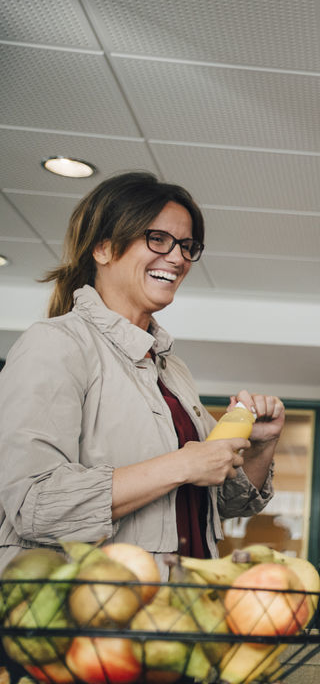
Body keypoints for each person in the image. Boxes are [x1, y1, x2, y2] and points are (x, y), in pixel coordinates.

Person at [0, 171, 284, 572]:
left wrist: (260, 447)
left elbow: (226, 503)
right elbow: (33, 505)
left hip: (180, 610)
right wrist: (182, 464)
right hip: (92, 615)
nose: (177, 258)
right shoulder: (56, 344)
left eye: (187, 246)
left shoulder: (172, 369)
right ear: (102, 247)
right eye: (158, 239)